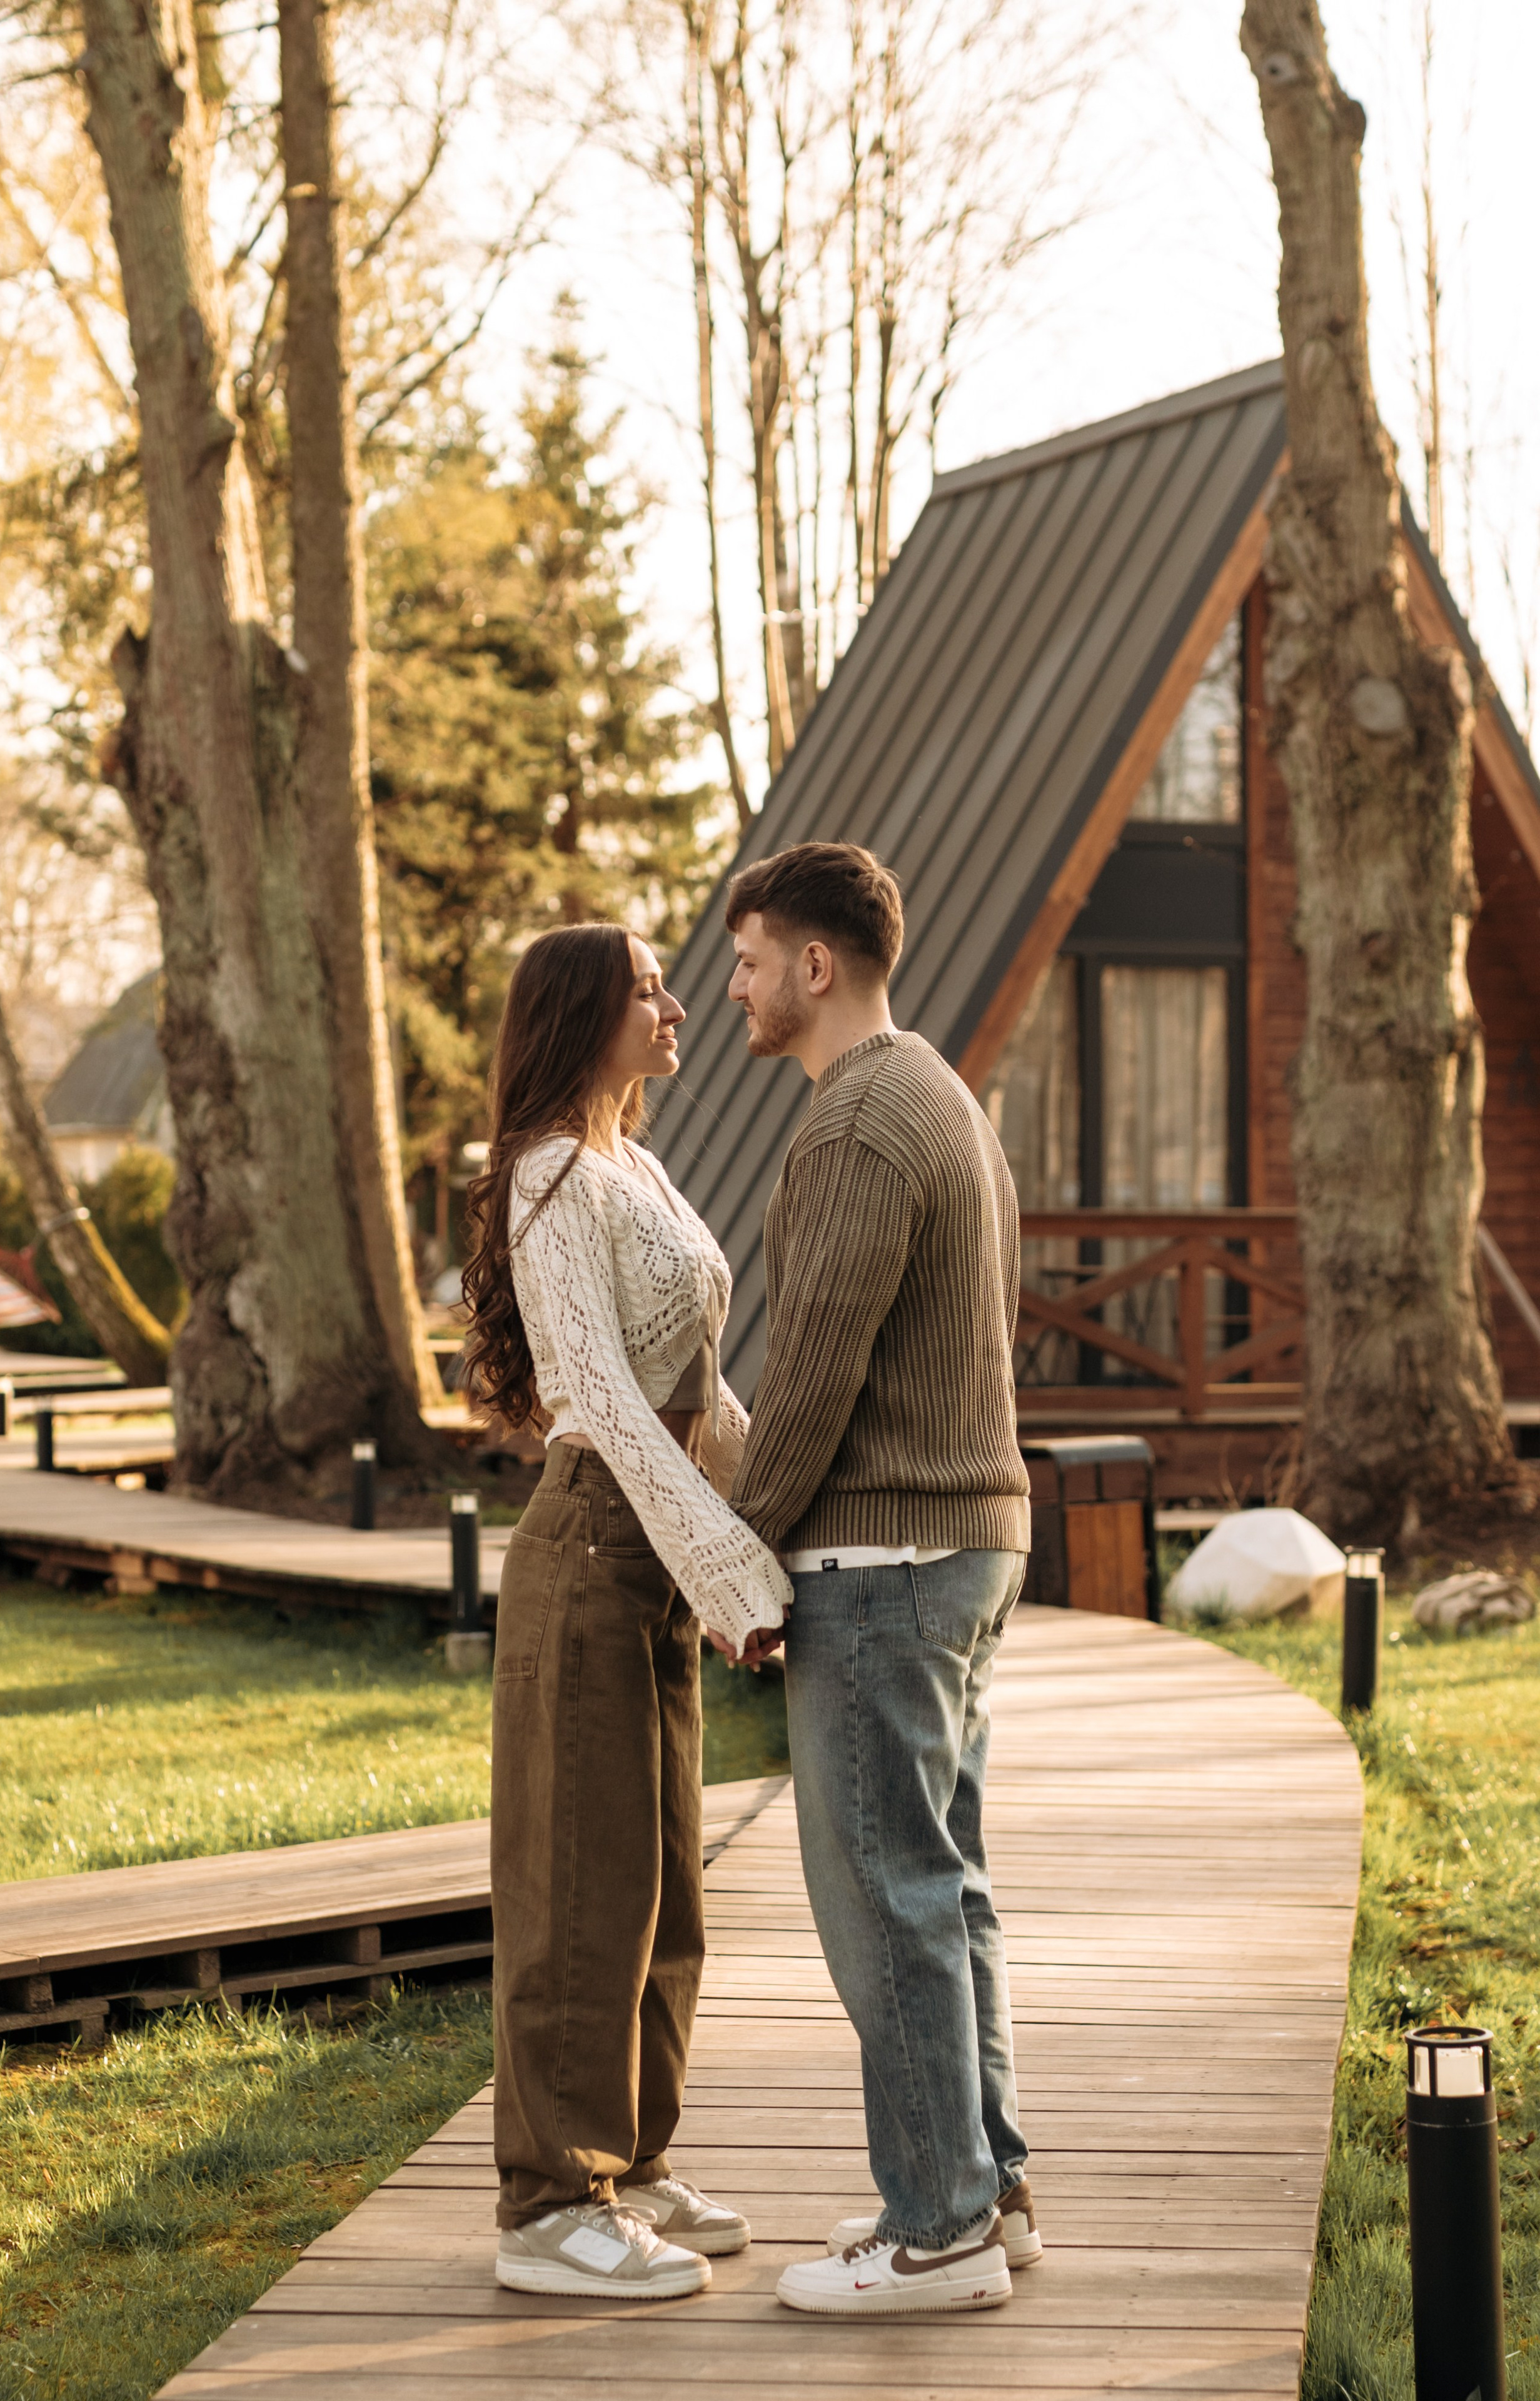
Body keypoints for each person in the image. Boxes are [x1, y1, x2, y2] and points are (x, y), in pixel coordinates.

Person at [722, 841, 1040, 2318]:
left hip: (884, 1557)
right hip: (963, 1543)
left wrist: (735, 1557)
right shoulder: (941, 1095)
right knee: (944, 1883)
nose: (733, 988)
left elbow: (810, 1378)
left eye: (748, 961)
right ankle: (982, 2186)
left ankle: (938, 2236)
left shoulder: (856, 1122)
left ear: (815, 964)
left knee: (885, 1894)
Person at [461, 922, 792, 2302]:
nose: (676, 1005)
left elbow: (700, 1391)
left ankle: (633, 2162)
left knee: (663, 1884)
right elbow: (600, 1397)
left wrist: (777, 1510)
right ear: (583, 1015)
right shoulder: (549, 1175)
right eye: (647, 988)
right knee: (580, 1887)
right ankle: (550, 2202)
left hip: (651, 1548)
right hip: (594, 1539)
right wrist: (729, 1569)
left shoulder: (632, 1166)